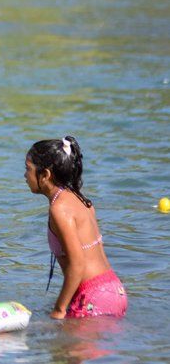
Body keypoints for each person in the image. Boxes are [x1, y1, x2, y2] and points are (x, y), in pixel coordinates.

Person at [25, 136, 127, 319]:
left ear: (46, 175)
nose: (25, 175)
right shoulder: (80, 199)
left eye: (28, 169)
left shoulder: (59, 209)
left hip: (93, 296)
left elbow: (78, 263)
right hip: (114, 289)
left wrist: (59, 309)